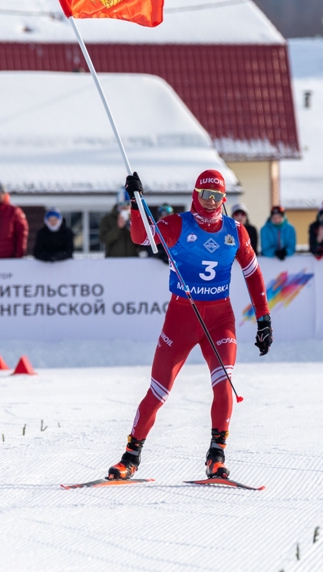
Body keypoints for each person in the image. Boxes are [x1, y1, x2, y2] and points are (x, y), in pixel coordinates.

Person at [106, 169, 272, 482]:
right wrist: (136, 202)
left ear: (224, 200)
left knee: (224, 383)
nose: (210, 203)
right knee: (158, 391)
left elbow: (252, 272)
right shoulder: (176, 225)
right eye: (205, 195)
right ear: (195, 194)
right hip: (181, 319)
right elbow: (141, 237)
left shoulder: (236, 231)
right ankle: (130, 458)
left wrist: (264, 318)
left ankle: (216, 457)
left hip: (220, 319)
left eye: (217, 197)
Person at [100, 188, 144, 258]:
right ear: (118, 204)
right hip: (114, 261)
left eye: (127, 203)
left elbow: (142, 242)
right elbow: (104, 240)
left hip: (133, 260)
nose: (124, 207)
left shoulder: (137, 218)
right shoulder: (107, 219)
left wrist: (132, 227)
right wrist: (118, 228)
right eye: (122, 204)